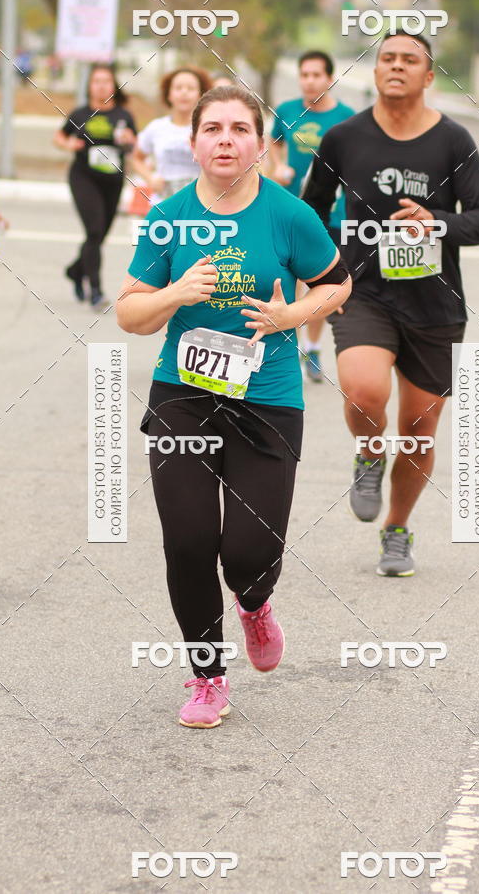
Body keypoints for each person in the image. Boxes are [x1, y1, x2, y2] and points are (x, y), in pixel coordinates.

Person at [117, 86, 351, 728]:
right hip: (183, 395)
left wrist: (289, 316)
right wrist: (175, 293)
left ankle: (254, 604)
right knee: (188, 541)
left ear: (260, 144)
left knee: (249, 555)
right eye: (213, 128)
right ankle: (208, 678)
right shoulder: (168, 218)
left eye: (240, 129)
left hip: (267, 400)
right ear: (192, 143)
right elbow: (130, 314)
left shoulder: (289, 215)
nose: (226, 139)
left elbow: (338, 285)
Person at [303, 30, 479, 577]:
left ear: (428, 75)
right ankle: (370, 451)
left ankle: (397, 528)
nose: (396, 66)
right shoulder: (343, 138)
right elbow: (311, 211)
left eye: (409, 60)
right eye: (387, 58)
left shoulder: (453, 141)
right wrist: (328, 273)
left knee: (417, 430)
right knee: (365, 389)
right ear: (375, 71)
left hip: (435, 305)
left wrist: (436, 221)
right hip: (364, 292)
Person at [269, 51, 354, 382]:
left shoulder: (346, 118)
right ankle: (285, 346)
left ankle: (313, 348)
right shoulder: (287, 111)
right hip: (288, 210)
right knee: (283, 279)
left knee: (319, 282)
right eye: (304, 75)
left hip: (329, 215)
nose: (309, 81)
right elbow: (274, 142)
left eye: (316, 75)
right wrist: (278, 166)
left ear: (330, 79)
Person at [54, 64, 136, 307]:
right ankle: (96, 291)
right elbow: (59, 136)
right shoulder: (80, 114)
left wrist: (129, 140)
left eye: (106, 81)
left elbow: (134, 145)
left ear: (114, 86)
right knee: (94, 231)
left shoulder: (123, 115)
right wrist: (68, 145)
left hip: (112, 181)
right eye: (97, 81)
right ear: (89, 86)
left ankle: (76, 271)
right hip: (84, 178)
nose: (101, 86)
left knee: (99, 236)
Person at [132, 66, 211, 205]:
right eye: (178, 88)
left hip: (200, 203)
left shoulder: (210, 128)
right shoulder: (156, 127)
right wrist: (150, 178)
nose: (184, 92)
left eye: (191, 88)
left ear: (200, 95)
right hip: (164, 203)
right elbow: (136, 159)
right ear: (169, 94)